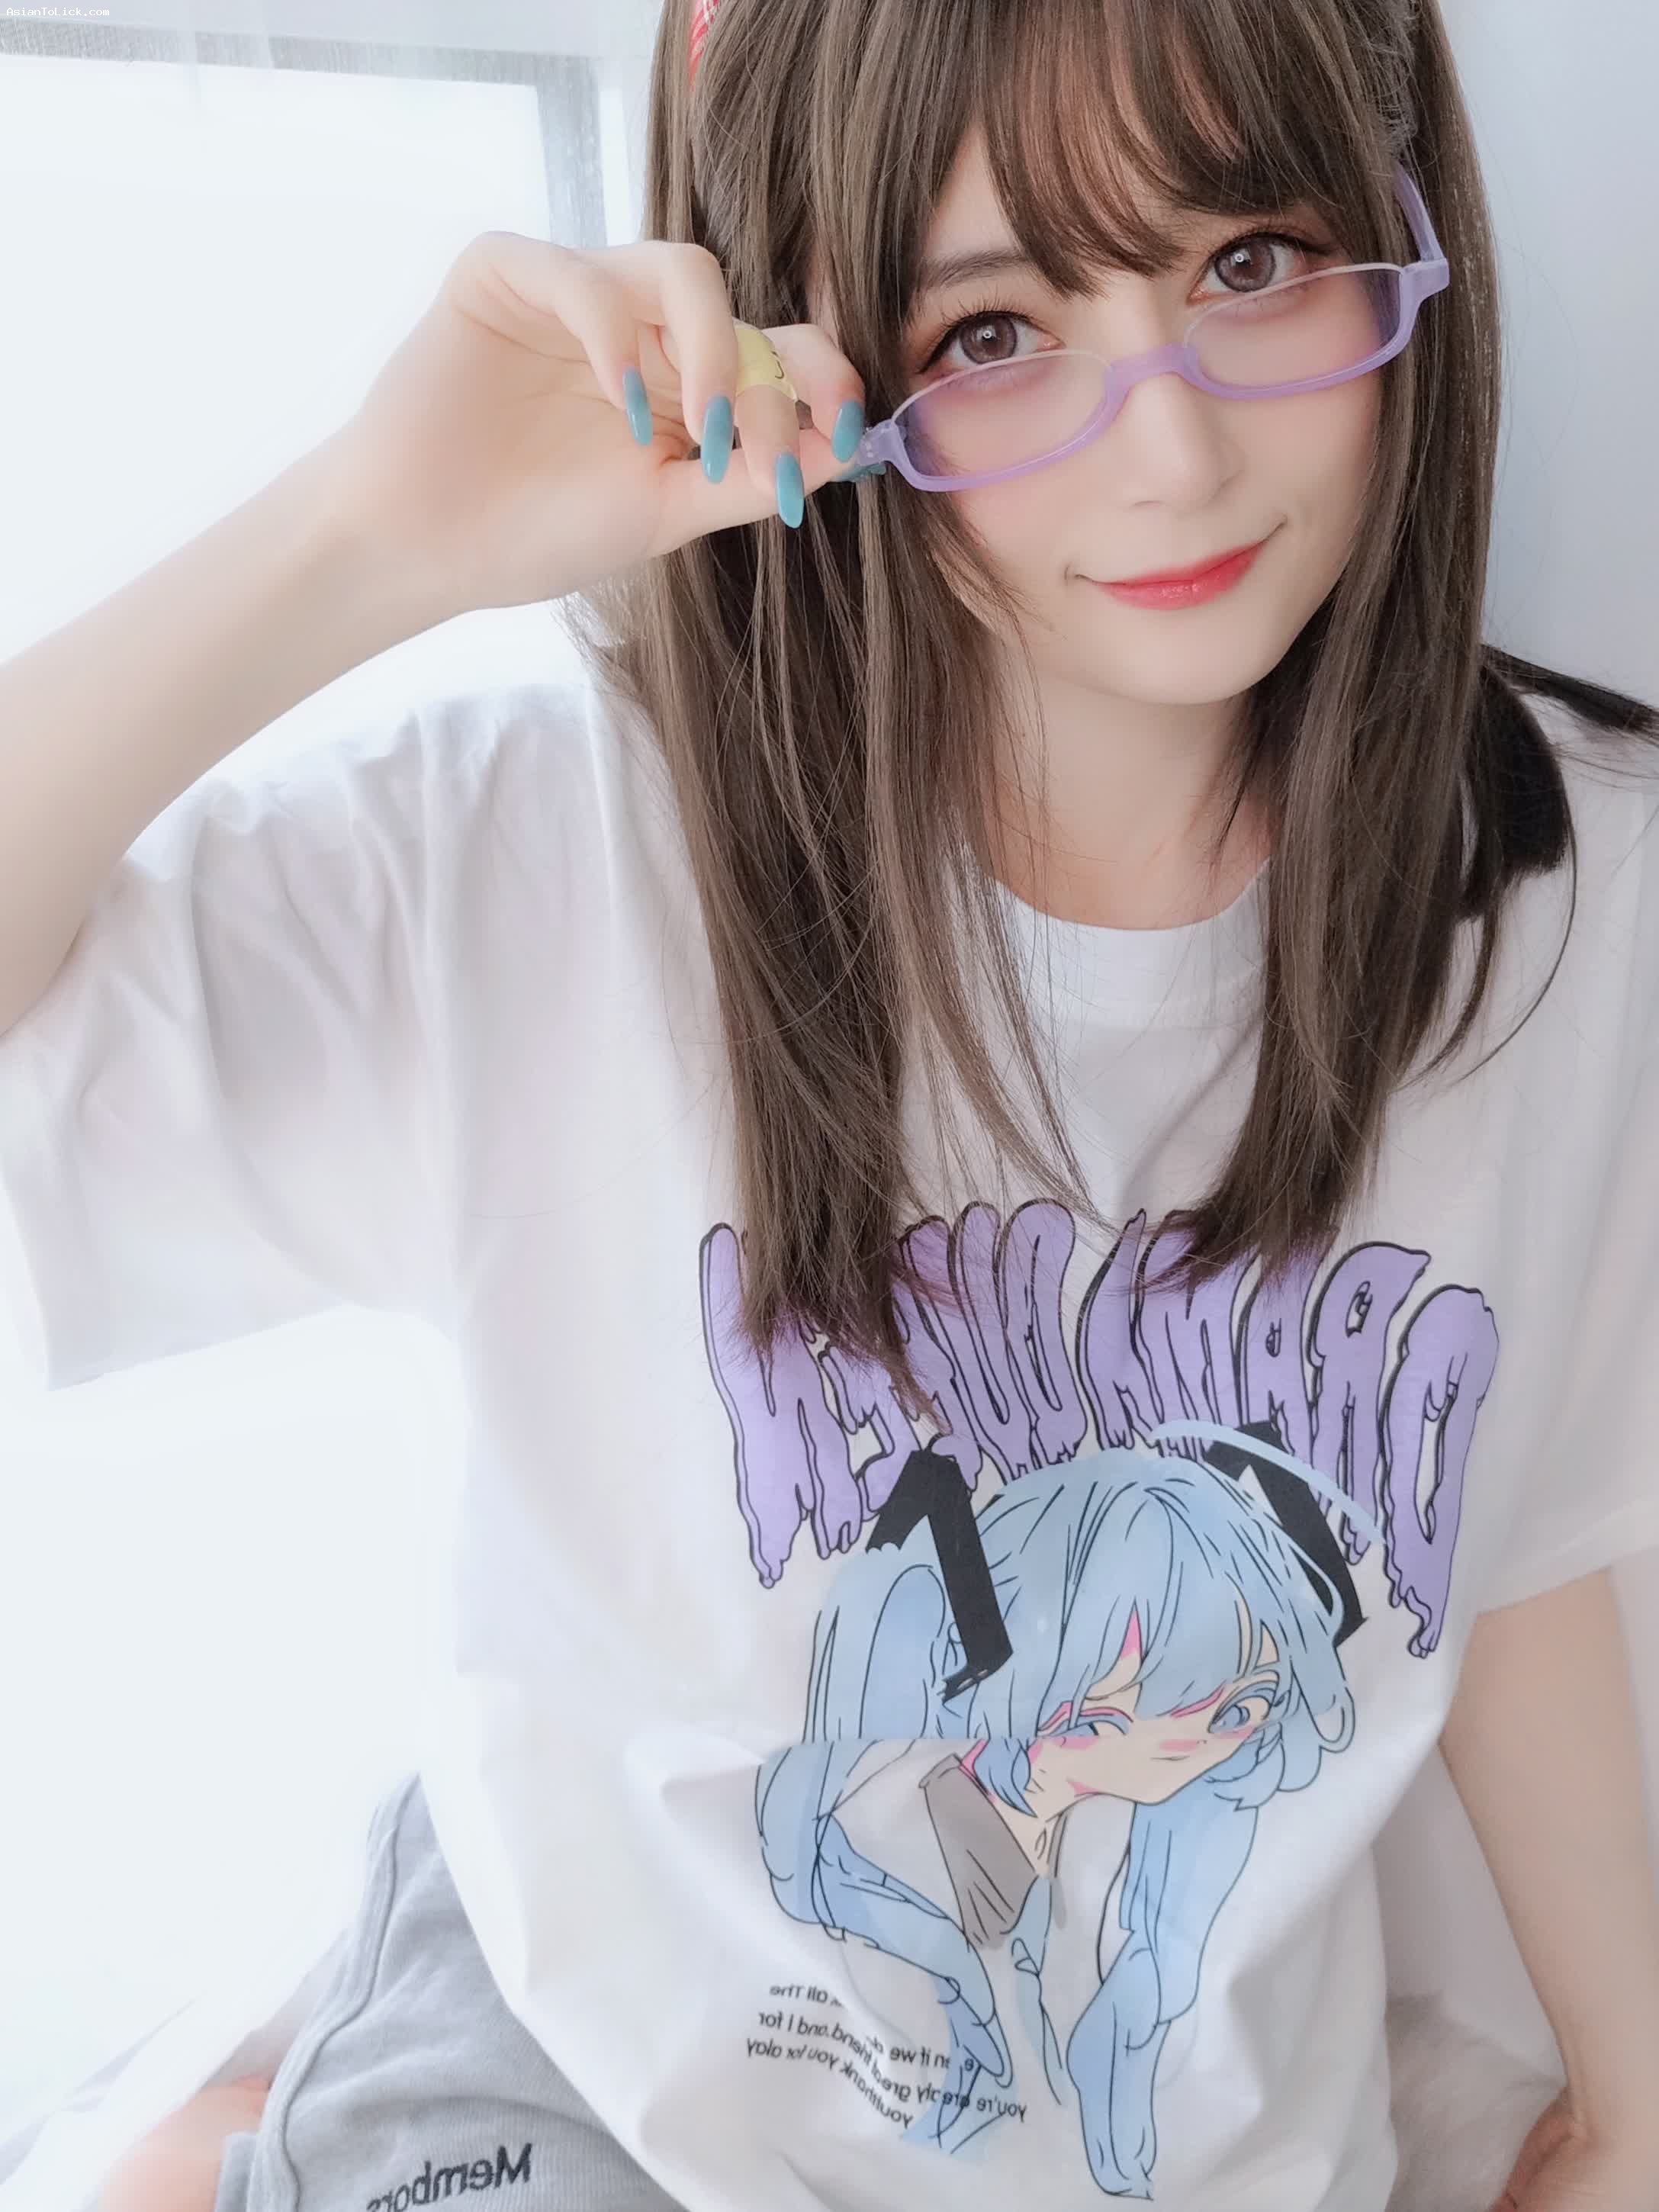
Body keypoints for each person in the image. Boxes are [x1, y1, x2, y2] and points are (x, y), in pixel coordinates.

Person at [2, 0, 1656, 2209]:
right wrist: (360, 536)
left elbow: (1506, 1507)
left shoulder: (1563, 885)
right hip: (588, 2063)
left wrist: (1630, 2093)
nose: (1172, 456)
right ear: (829, 362)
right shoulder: (551, 849)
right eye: (996, 332)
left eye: (1253, 263)